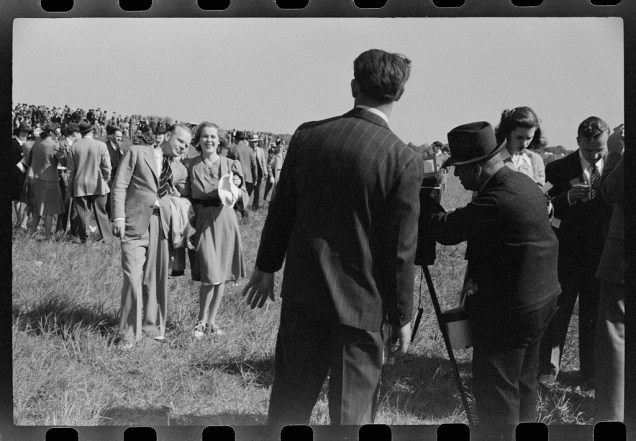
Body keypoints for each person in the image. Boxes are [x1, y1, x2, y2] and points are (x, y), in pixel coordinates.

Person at [242, 49, 422, 425]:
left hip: (304, 295)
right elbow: (400, 251)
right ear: (400, 95)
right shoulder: (401, 158)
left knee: (288, 406)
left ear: (354, 86)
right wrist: (402, 315)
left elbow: (282, 208)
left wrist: (265, 267)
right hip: (363, 307)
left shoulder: (308, 135)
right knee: (351, 420)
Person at [426, 121, 560, 439]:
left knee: (495, 393)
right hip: (540, 303)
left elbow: (446, 229)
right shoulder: (522, 183)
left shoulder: (495, 200)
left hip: (511, 314)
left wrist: (424, 197)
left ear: (477, 166)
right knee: (524, 382)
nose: (457, 175)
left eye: (459, 168)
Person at [537, 116, 612, 386]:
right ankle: (548, 369)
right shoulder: (556, 168)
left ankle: (591, 372)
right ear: (578, 141)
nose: (594, 155)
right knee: (558, 311)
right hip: (566, 252)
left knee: (593, 314)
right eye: (589, 149)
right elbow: (543, 206)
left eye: (599, 149)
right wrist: (566, 198)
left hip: (600, 254)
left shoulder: (614, 168)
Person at [111, 123, 192, 348]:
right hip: (134, 222)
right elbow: (119, 185)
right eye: (180, 142)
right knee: (132, 278)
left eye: (187, 145)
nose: (183, 148)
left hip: (161, 225)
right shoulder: (137, 152)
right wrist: (118, 217)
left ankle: (151, 326)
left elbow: (187, 187)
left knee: (155, 279)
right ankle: (128, 335)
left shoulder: (179, 168)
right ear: (167, 136)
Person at [186, 122, 246, 339]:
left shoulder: (232, 164)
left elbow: (244, 197)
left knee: (220, 275)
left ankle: (211, 322)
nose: (209, 140)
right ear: (198, 140)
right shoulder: (190, 165)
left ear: (220, 140)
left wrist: (237, 189)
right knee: (209, 273)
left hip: (226, 221)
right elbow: (184, 195)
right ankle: (200, 321)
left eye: (213, 136)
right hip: (202, 221)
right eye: (204, 136)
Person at [594, 124, 624, 421]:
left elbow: (612, 189)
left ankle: (613, 418)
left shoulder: (621, 152)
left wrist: (615, 154)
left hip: (623, 257)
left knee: (616, 334)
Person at [67, 120, 114, 244]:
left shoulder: (74, 147)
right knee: (101, 213)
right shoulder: (101, 145)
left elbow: (70, 171)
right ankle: (107, 238)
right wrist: (106, 178)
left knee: (83, 214)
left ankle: (85, 238)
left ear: (80, 132)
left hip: (80, 184)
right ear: (92, 131)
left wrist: (70, 187)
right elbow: (107, 166)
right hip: (98, 182)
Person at [29, 124, 66, 240]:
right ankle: (48, 237)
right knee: (49, 211)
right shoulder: (54, 145)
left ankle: (32, 234)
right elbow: (64, 161)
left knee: (37, 210)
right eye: (57, 132)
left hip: (36, 178)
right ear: (52, 132)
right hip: (50, 180)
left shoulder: (37, 141)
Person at [495, 106, 547, 186]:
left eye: (529, 138)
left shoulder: (535, 160)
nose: (524, 143)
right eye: (519, 138)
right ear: (507, 133)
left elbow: (541, 193)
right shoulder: (494, 159)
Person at [55, 123, 82, 234]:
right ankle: (61, 229)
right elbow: (65, 161)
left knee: (75, 206)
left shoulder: (78, 145)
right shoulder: (60, 145)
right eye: (79, 132)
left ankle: (73, 229)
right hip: (65, 177)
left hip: (75, 177)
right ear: (75, 133)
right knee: (65, 204)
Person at [227, 130, 256, 221]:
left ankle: (234, 219)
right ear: (244, 139)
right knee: (245, 199)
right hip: (249, 178)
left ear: (236, 139)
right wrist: (255, 178)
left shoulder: (232, 149)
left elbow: (228, 163)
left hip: (237, 178)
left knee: (234, 199)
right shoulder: (250, 150)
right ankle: (245, 219)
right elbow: (254, 165)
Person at [10, 122, 33, 229]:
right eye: (23, 131)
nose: (24, 134)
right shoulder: (13, 143)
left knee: (26, 198)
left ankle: (24, 220)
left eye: (26, 132)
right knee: (17, 198)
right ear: (18, 132)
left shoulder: (29, 143)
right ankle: (19, 219)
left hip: (27, 174)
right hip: (16, 174)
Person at [248, 133, 268, 210]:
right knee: (249, 190)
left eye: (255, 142)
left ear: (257, 142)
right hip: (250, 173)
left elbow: (263, 162)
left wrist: (265, 172)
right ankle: (244, 205)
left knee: (257, 191)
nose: (254, 143)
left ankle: (255, 206)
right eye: (252, 142)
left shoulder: (261, 150)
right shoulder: (248, 150)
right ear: (250, 142)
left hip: (259, 173)